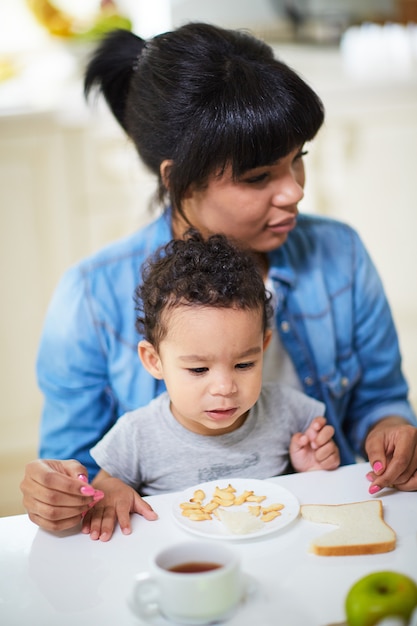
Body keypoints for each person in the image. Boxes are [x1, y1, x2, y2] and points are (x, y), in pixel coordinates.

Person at [21, 23, 417, 533]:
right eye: (257, 178)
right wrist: (59, 491)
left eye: (298, 160)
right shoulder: (90, 297)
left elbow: (379, 396)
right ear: (175, 179)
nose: (294, 191)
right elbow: (74, 465)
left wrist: (391, 430)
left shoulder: (340, 252)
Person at [77, 230, 340, 540]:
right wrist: (109, 490)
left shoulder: (289, 410)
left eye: (244, 364)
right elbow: (103, 487)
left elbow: (318, 498)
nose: (225, 387)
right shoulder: (137, 434)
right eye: (199, 369)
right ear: (153, 361)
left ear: (264, 346)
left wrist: (310, 470)